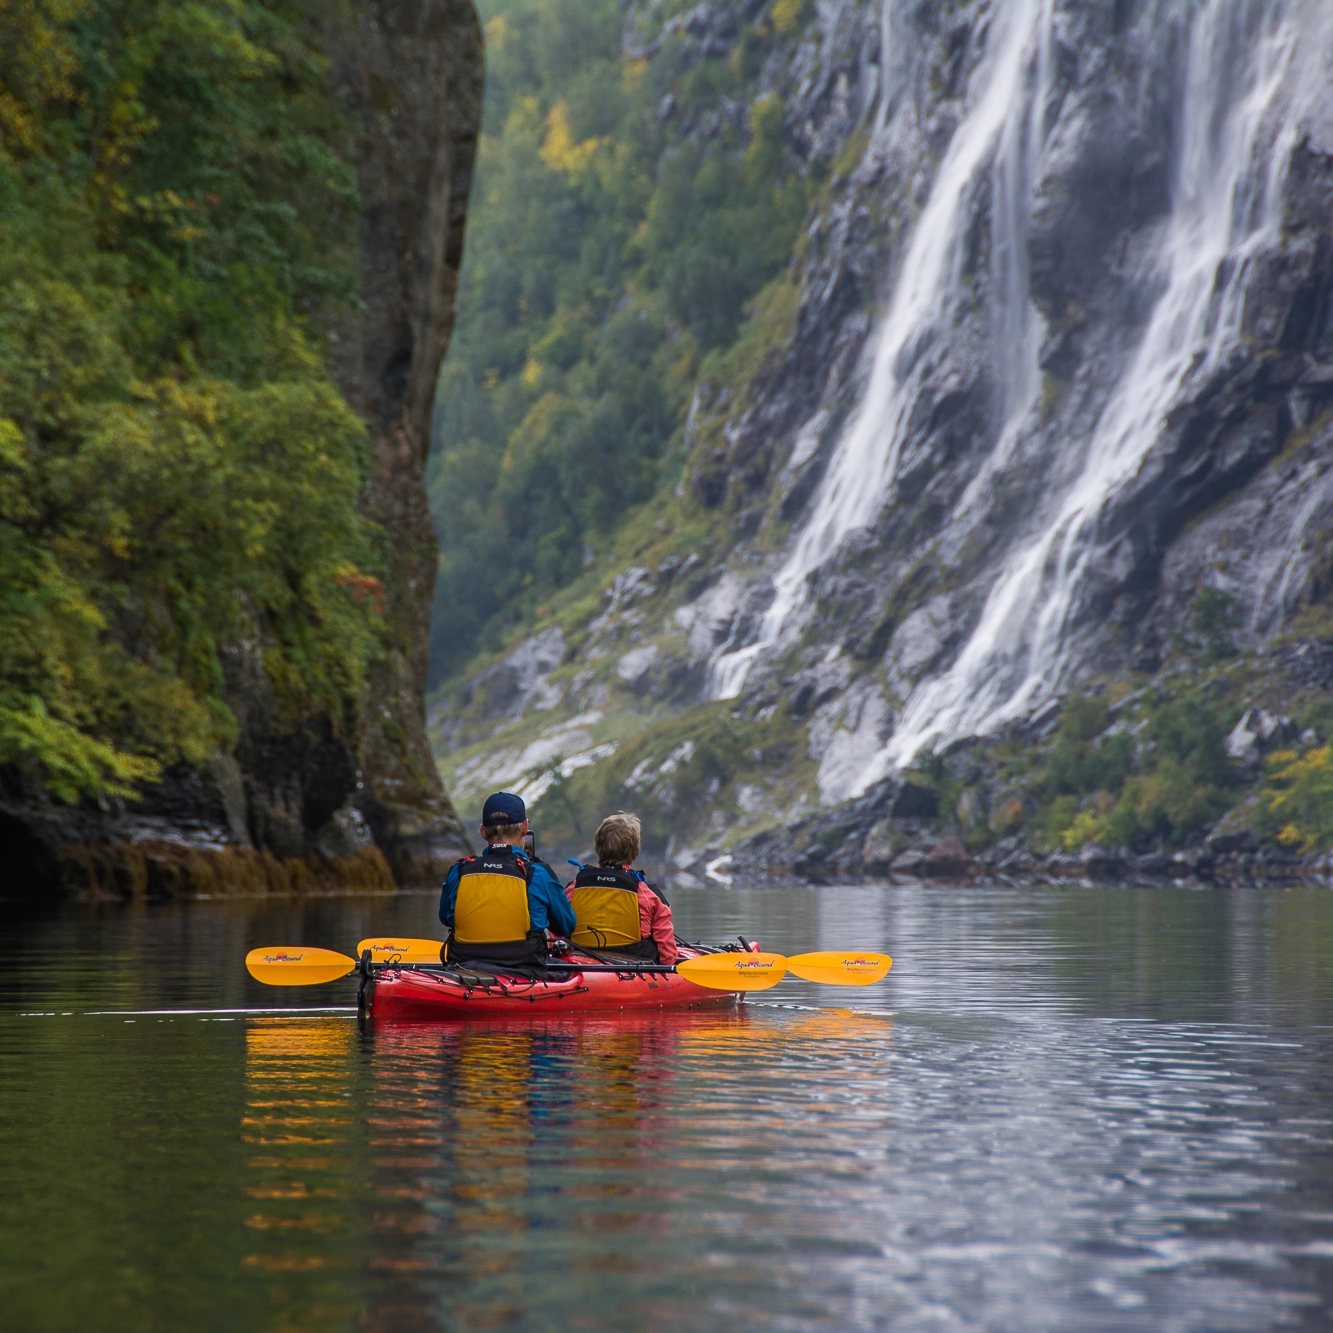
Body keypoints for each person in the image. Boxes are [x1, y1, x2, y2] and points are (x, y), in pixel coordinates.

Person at [439, 792, 576, 966]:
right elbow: (566, 926)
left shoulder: (459, 871)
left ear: (482, 831)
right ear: (525, 828)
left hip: (464, 964)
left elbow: (445, 918)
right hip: (524, 969)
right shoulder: (538, 872)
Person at [566, 812, 677, 964]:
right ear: (635, 854)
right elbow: (668, 954)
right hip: (635, 965)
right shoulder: (648, 895)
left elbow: (557, 932)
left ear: (598, 849)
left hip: (580, 959)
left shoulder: (572, 889)